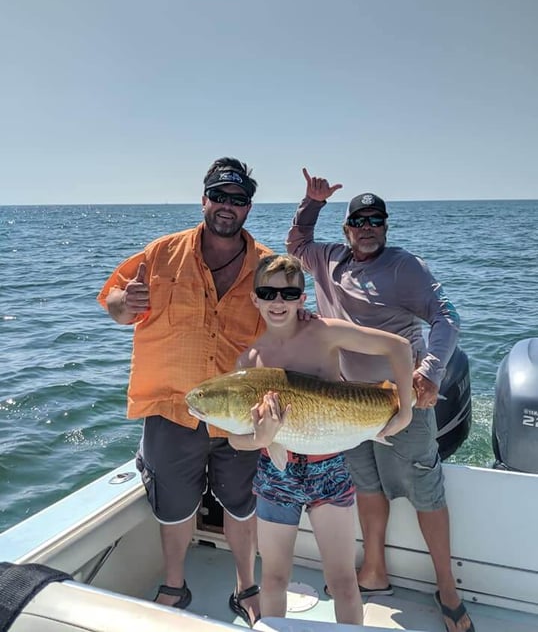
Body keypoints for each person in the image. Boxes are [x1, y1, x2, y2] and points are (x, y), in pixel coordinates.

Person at [286, 169, 475, 632]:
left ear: (385, 227)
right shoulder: (327, 259)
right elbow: (295, 244)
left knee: (426, 489)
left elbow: (447, 318)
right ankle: (374, 571)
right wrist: (312, 203)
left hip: (400, 400)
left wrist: (430, 372)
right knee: (364, 483)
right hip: (346, 400)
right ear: (347, 228)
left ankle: (447, 588)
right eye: (359, 220)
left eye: (376, 220)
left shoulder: (404, 267)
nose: (367, 227)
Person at [97, 158, 273, 627]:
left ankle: (245, 584)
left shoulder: (268, 266)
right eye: (219, 196)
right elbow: (113, 302)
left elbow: (291, 329)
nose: (227, 207)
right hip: (172, 406)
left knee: (241, 502)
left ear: (249, 207)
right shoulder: (159, 253)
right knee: (174, 508)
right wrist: (124, 303)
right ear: (203, 199)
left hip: (240, 413)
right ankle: (175, 583)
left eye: (238, 200)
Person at [228, 253, 414, 626]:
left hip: (328, 470)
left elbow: (399, 348)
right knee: (274, 579)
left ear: (302, 298)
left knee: (343, 581)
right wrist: (260, 437)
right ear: (255, 299)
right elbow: (237, 441)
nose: (278, 302)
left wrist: (405, 410)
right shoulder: (248, 361)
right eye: (268, 293)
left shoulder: (324, 332)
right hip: (275, 475)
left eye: (287, 294)